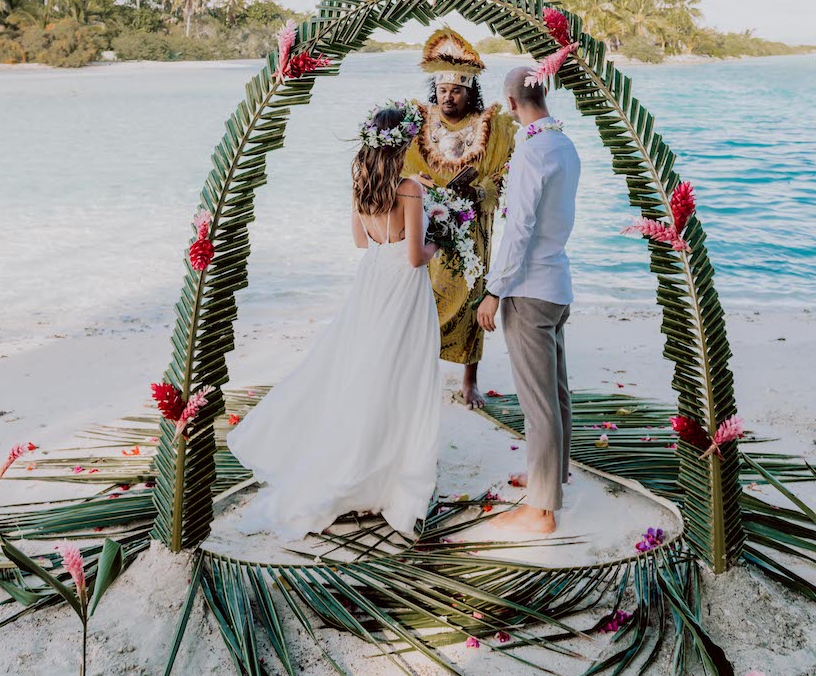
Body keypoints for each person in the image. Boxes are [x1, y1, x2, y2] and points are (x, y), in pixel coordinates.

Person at [229, 101, 442, 540]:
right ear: (402, 143)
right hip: (402, 286)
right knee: (403, 371)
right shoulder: (410, 190)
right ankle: (391, 468)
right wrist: (440, 240)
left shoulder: (362, 184)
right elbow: (415, 257)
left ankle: (365, 459)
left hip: (371, 282)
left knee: (365, 367)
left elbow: (360, 242)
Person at [476, 66, 580, 536]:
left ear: (512, 104)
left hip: (528, 291)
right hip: (557, 285)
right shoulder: (564, 145)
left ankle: (541, 510)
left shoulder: (532, 152)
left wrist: (494, 290)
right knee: (556, 395)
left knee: (538, 404)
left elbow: (518, 228)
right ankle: (551, 480)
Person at [403, 30, 517, 409]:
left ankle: (470, 380)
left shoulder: (492, 126)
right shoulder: (419, 123)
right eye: (442, 90)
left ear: (470, 93)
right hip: (429, 224)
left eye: (456, 91)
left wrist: (481, 190)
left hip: (472, 228)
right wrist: (426, 190)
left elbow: (506, 173)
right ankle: (420, 373)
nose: (448, 97)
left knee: (470, 298)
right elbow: (402, 172)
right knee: (423, 299)